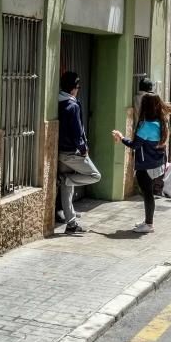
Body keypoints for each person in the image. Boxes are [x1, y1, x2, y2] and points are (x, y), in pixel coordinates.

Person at [112, 93, 171, 234]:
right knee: (148, 193)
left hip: (146, 166)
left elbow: (135, 145)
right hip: (156, 163)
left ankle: (149, 224)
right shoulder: (161, 121)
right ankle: (147, 221)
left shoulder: (147, 126)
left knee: (147, 194)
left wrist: (121, 137)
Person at [58, 71, 101, 234]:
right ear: (73, 89)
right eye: (77, 87)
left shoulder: (58, 102)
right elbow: (77, 132)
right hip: (72, 153)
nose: (78, 90)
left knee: (67, 189)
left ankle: (71, 224)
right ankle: (65, 179)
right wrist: (83, 149)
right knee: (95, 175)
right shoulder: (72, 105)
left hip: (61, 152)